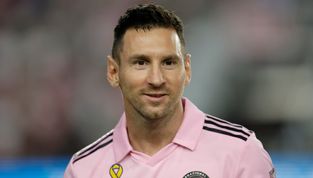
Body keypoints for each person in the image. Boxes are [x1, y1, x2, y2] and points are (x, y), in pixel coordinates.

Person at [64, 3, 275, 178]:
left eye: (168, 62)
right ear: (113, 71)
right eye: (140, 62)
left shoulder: (241, 152)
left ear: (187, 69)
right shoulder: (83, 169)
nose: (156, 79)